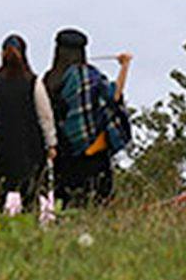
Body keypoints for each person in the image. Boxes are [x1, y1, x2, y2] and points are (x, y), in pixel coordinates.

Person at [44, 28, 132, 208]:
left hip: (62, 153)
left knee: (66, 203)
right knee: (96, 202)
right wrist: (125, 66)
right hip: (92, 153)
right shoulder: (88, 75)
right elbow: (114, 96)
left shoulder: (49, 79)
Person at [0, 33, 55, 211]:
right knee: (31, 197)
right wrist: (51, 144)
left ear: (1, 54)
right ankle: (31, 226)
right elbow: (46, 116)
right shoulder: (34, 82)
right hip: (30, 148)